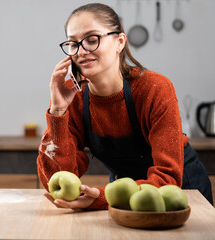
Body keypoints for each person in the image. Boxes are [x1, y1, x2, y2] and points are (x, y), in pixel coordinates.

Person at [36, 3, 213, 210]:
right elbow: (55, 180)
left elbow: (168, 177)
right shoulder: (70, 96)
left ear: (120, 42)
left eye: (92, 40)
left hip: (181, 193)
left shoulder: (155, 88)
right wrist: (58, 112)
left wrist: (102, 198)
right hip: (122, 196)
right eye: (74, 44)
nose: (81, 51)